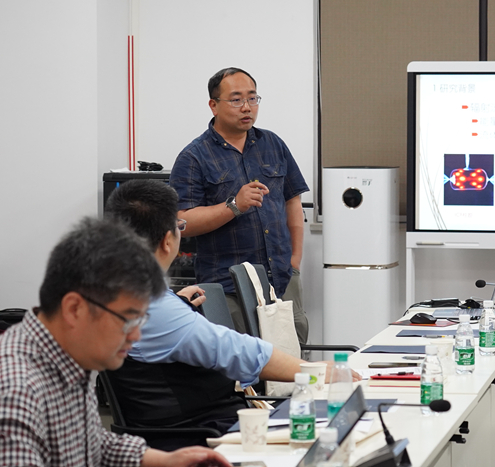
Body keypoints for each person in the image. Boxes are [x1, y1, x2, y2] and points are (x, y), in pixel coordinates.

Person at [103, 180, 360, 445]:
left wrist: (174, 302)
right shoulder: (158, 309)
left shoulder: (112, 293)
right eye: (180, 226)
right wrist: (314, 370)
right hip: (205, 436)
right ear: (167, 240)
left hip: (174, 429)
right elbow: (238, 352)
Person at [0, 218, 229, 467]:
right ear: (75, 309)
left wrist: (166, 459)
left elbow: (92, 443)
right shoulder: (17, 394)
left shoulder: (66, 357)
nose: (136, 335)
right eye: (128, 319)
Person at [170, 67, 309, 344]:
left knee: (292, 359)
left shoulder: (273, 144)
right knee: (240, 363)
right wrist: (234, 205)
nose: (247, 107)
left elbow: (292, 201)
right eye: (236, 100)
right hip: (228, 286)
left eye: (252, 98)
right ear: (214, 105)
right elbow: (182, 223)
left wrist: (294, 260)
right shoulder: (194, 157)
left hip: (281, 279)